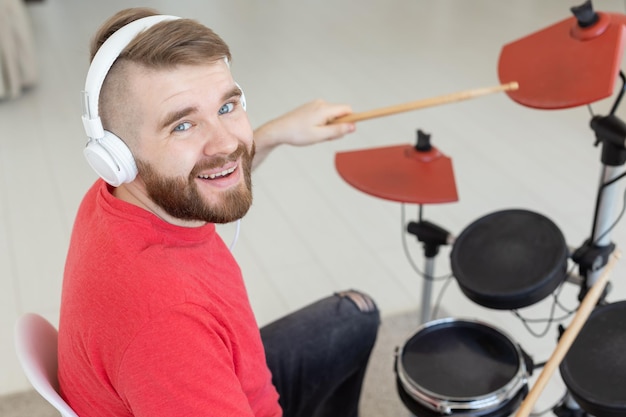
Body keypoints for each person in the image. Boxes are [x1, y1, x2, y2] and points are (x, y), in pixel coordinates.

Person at [58, 7, 380, 417]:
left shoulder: (115, 196)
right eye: (182, 126)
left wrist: (275, 134)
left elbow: (205, 174)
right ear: (117, 155)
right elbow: (172, 337)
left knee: (356, 315)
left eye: (227, 107)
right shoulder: (169, 327)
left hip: (224, 379)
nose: (226, 144)